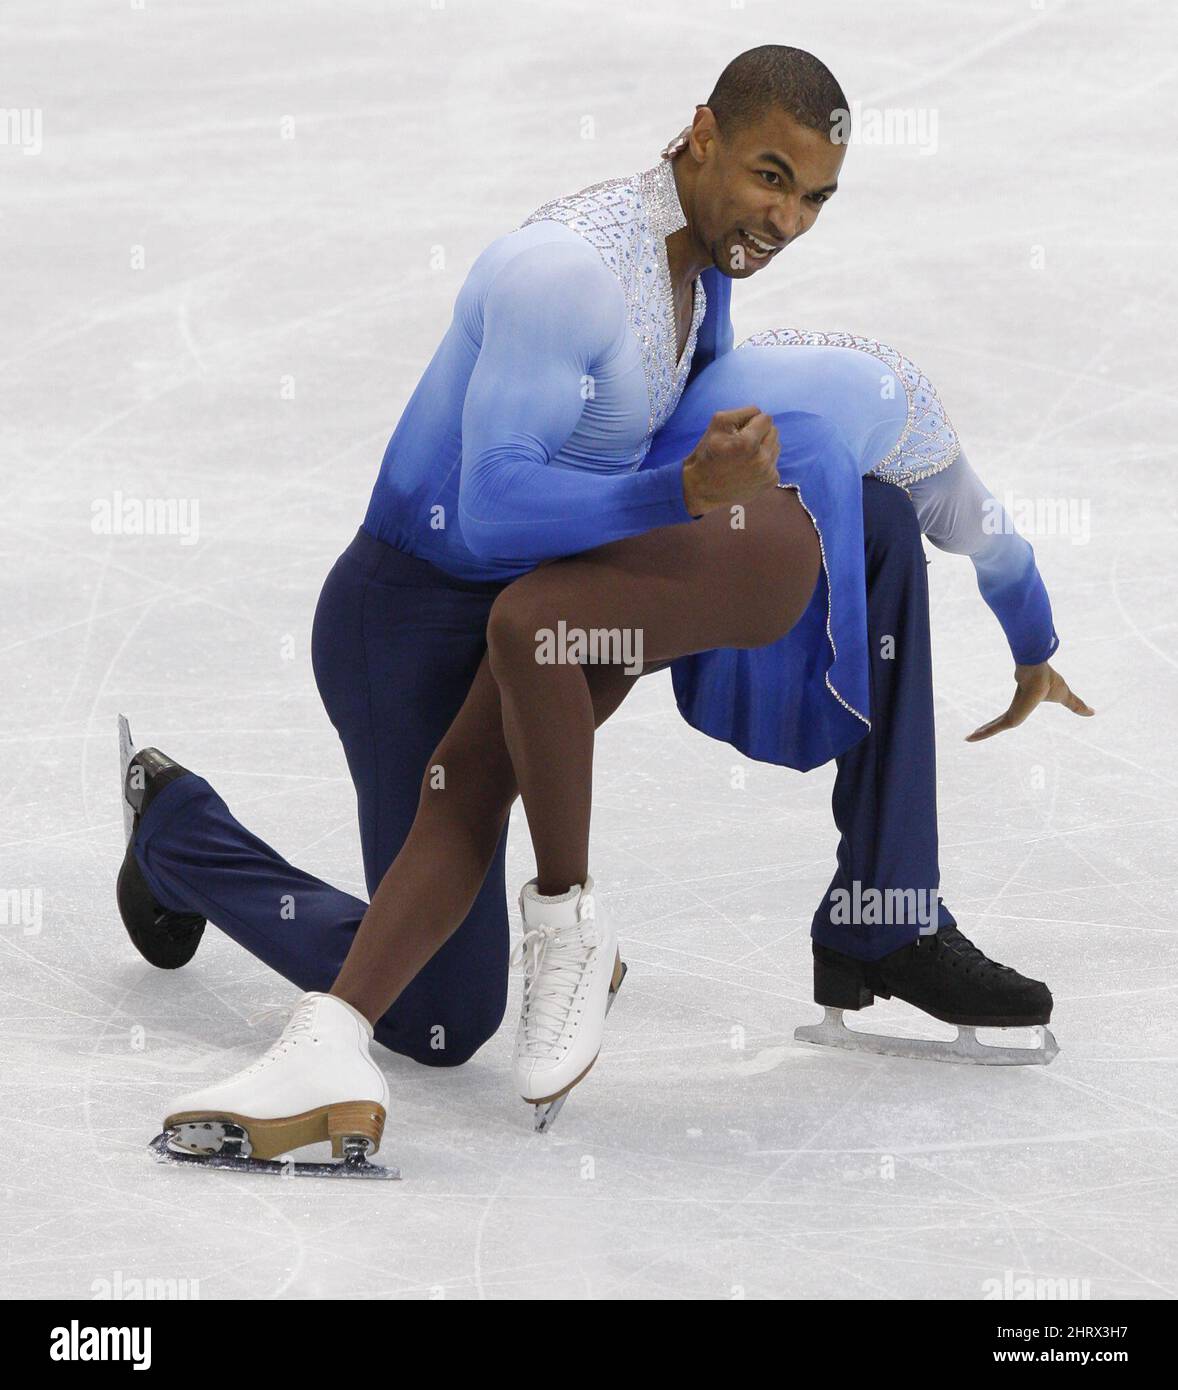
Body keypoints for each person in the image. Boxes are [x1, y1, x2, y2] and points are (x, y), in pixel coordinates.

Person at [117, 47, 1090, 1170]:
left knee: (862, 523)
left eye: (813, 196)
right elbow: (487, 510)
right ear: (700, 134)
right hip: (412, 620)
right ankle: (180, 832)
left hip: (553, 595)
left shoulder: (705, 267)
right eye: (769, 176)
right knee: (442, 1016)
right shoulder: (562, 274)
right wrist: (678, 496)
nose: (785, 218)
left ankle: (886, 911)